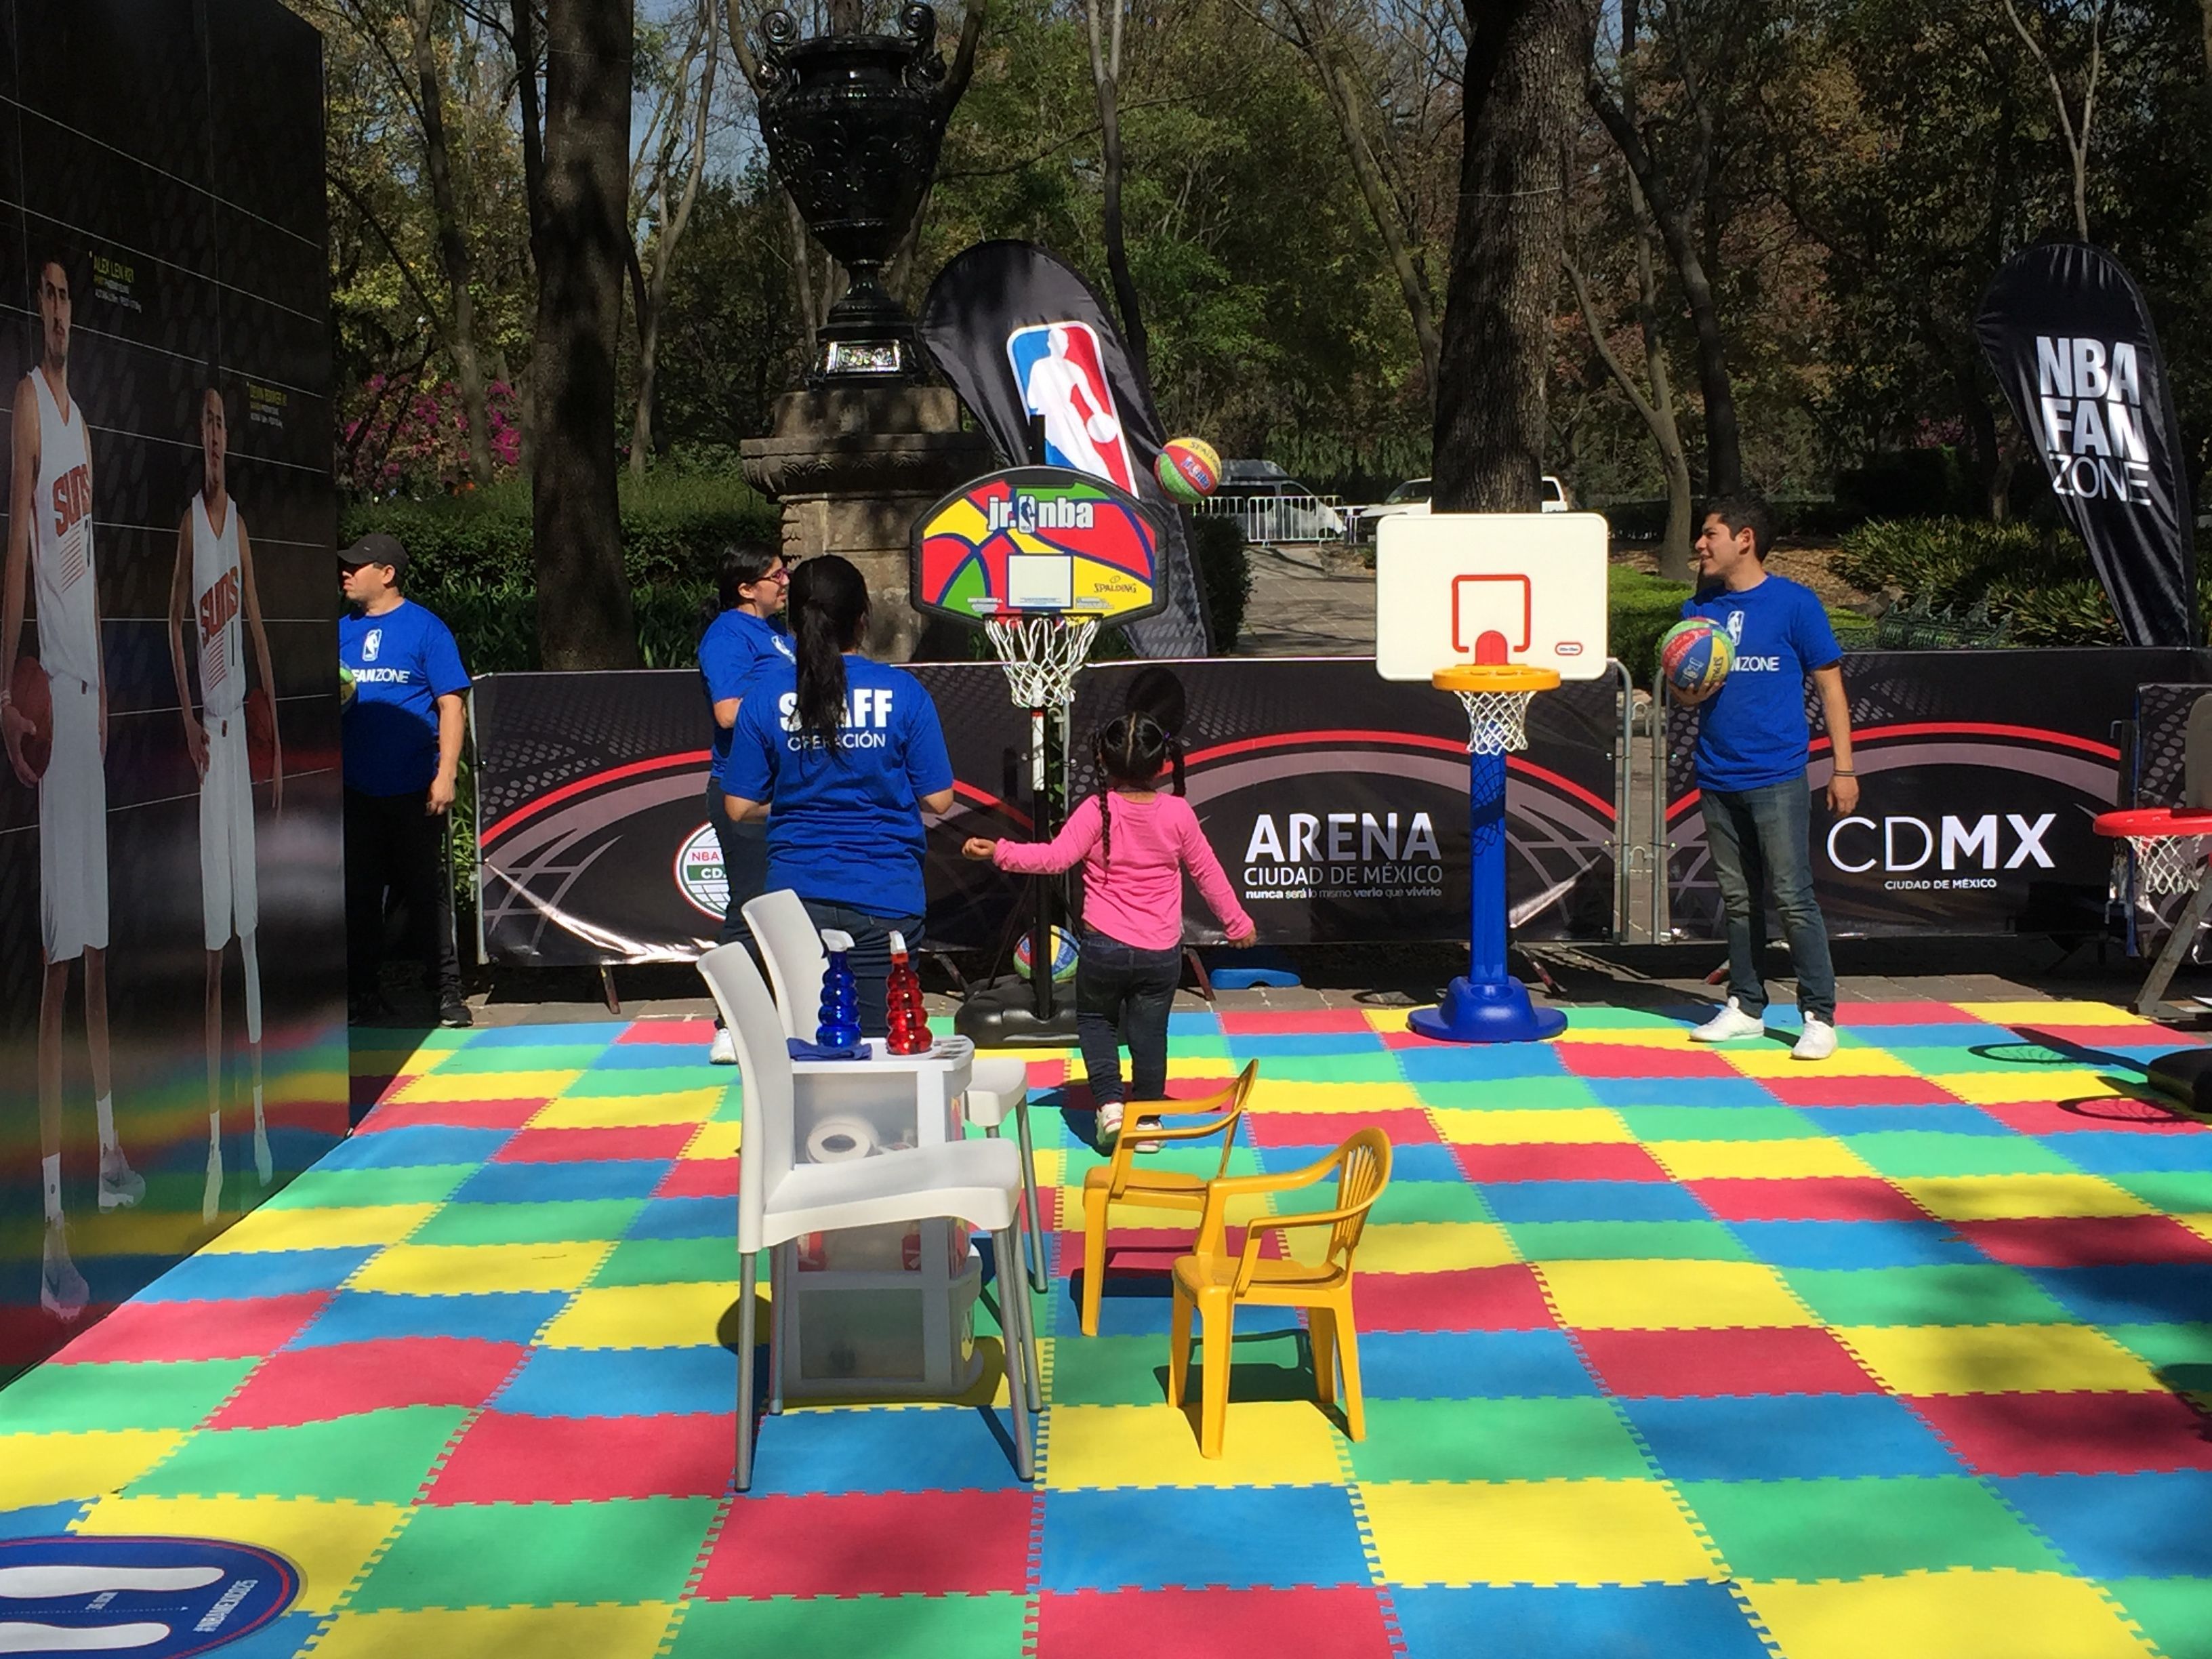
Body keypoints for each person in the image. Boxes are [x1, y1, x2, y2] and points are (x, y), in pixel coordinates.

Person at [0, 252, 140, 1318]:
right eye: (42, 297)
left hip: (90, 696)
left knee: (95, 949)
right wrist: (11, 679)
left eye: (64, 298)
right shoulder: (30, 406)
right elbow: (21, 540)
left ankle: (105, 1158)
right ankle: (50, 1230)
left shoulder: (85, 421)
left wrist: (105, 683)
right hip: (50, 691)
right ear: (30, 315)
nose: (55, 312)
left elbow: (81, 557)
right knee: (55, 961)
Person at [964, 713, 1256, 1141]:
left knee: (1096, 1022)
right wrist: (1238, 924)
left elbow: (1054, 859)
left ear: (1102, 758)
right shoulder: (1178, 814)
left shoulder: (1096, 811)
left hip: (1105, 948)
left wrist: (999, 851)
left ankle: (1111, 1108)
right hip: (1160, 954)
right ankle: (1150, 1121)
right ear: (1162, 763)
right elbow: (1208, 873)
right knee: (1150, 1034)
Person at [720, 554, 954, 1037]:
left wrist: (794, 802)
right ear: (863, 618)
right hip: (885, 894)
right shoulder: (903, 694)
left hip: (793, 896)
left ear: (796, 621)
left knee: (805, 1041)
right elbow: (939, 800)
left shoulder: (765, 698)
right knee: (881, 1043)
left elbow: (739, 807)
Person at [1679, 497, 1857, 1061]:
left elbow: (1831, 687)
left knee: (1792, 896)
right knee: (1738, 898)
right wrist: (1691, 688)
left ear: (1745, 539)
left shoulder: (1794, 605)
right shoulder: (1699, 606)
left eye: (1710, 535)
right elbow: (1685, 691)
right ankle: (1746, 1006)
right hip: (1717, 772)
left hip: (1777, 774)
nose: (1700, 545)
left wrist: (1844, 768)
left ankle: (1818, 1014)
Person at [168, 379, 280, 1222]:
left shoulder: (236, 520)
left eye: (220, 422)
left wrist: (272, 717)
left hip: (241, 738)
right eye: (203, 421)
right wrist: (185, 718)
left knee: (247, 942)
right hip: (210, 741)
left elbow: (258, 626)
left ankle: (258, 1128)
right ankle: (211, 1146)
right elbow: (175, 621)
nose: (213, 434)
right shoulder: (187, 524)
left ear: (228, 438)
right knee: (213, 950)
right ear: (195, 436)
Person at [338, 532, 472, 1027]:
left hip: (414, 785)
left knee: (425, 892)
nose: (347, 573)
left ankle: (446, 991)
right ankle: (361, 994)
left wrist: (446, 774)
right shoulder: (337, 632)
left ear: (388, 573)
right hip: (354, 788)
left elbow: (451, 706)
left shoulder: (426, 630)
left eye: (358, 566)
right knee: (358, 895)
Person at [698, 542, 792, 1064]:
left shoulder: (781, 636)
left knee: (789, 904)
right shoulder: (728, 635)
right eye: (776, 575)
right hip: (744, 789)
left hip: (789, 788)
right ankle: (727, 1023)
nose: (785, 582)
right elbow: (730, 711)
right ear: (745, 587)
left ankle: (784, 1013)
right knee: (749, 905)